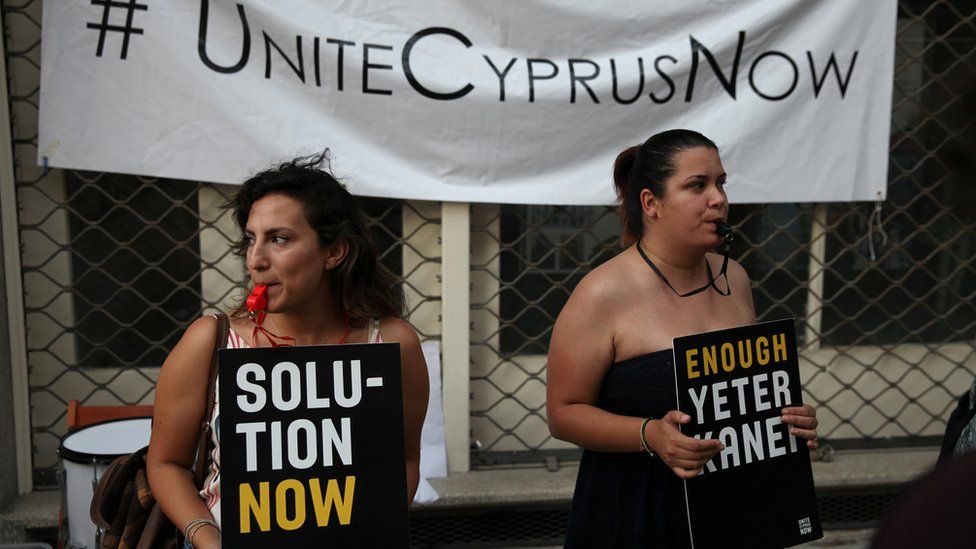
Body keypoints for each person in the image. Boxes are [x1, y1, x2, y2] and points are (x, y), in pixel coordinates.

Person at [546, 129, 819, 547]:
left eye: (721, 183)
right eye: (697, 185)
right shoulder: (603, 292)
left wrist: (783, 418)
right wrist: (649, 434)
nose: (718, 199)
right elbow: (563, 413)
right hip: (639, 512)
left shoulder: (736, 278)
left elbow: (736, 395)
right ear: (650, 203)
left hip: (732, 511)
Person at [146, 152, 429, 549]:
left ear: (334, 252)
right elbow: (165, 464)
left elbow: (404, 461)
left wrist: (374, 525)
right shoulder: (211, 342)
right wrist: (207, 538)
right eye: (251, 239)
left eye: (279, 239)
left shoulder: (393, 345)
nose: (255, 260)